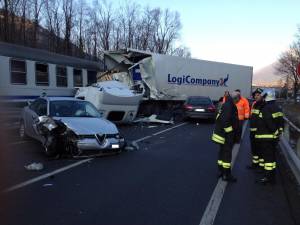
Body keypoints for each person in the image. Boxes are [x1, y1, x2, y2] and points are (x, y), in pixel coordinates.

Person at [255, 88, 284, 184]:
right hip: (272, 138)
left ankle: (267, 178)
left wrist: (275, 133)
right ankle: (272, 176)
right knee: (272, 158)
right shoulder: (277, 107)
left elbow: (268, 122)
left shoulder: (266, 108)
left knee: (268, 158)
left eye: (263, 96)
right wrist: (278, 133)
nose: (262, 98)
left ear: (267, 97)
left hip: (266, 137)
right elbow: (281, 122)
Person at [212, 91, 239, 182]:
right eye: (237, 99)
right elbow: (225, 120)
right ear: (235, 98)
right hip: (226, 135)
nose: (237, 102)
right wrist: (230, 132)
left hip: (221, 134)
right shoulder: (229, 105)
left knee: (222, 153)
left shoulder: (226, 103)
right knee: (227, 154)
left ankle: (221, 171)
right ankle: (226, 174)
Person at [247, 88, 264, 170]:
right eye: (255, 95)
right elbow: (252, 117)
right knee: (254, 149)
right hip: (253, 131)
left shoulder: (263, 105)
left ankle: (261, 167)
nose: (256, 96)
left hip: (259, 132)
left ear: (262, 96)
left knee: (260, 149)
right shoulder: (255, 104)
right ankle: (255, 164)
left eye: (258, 95)